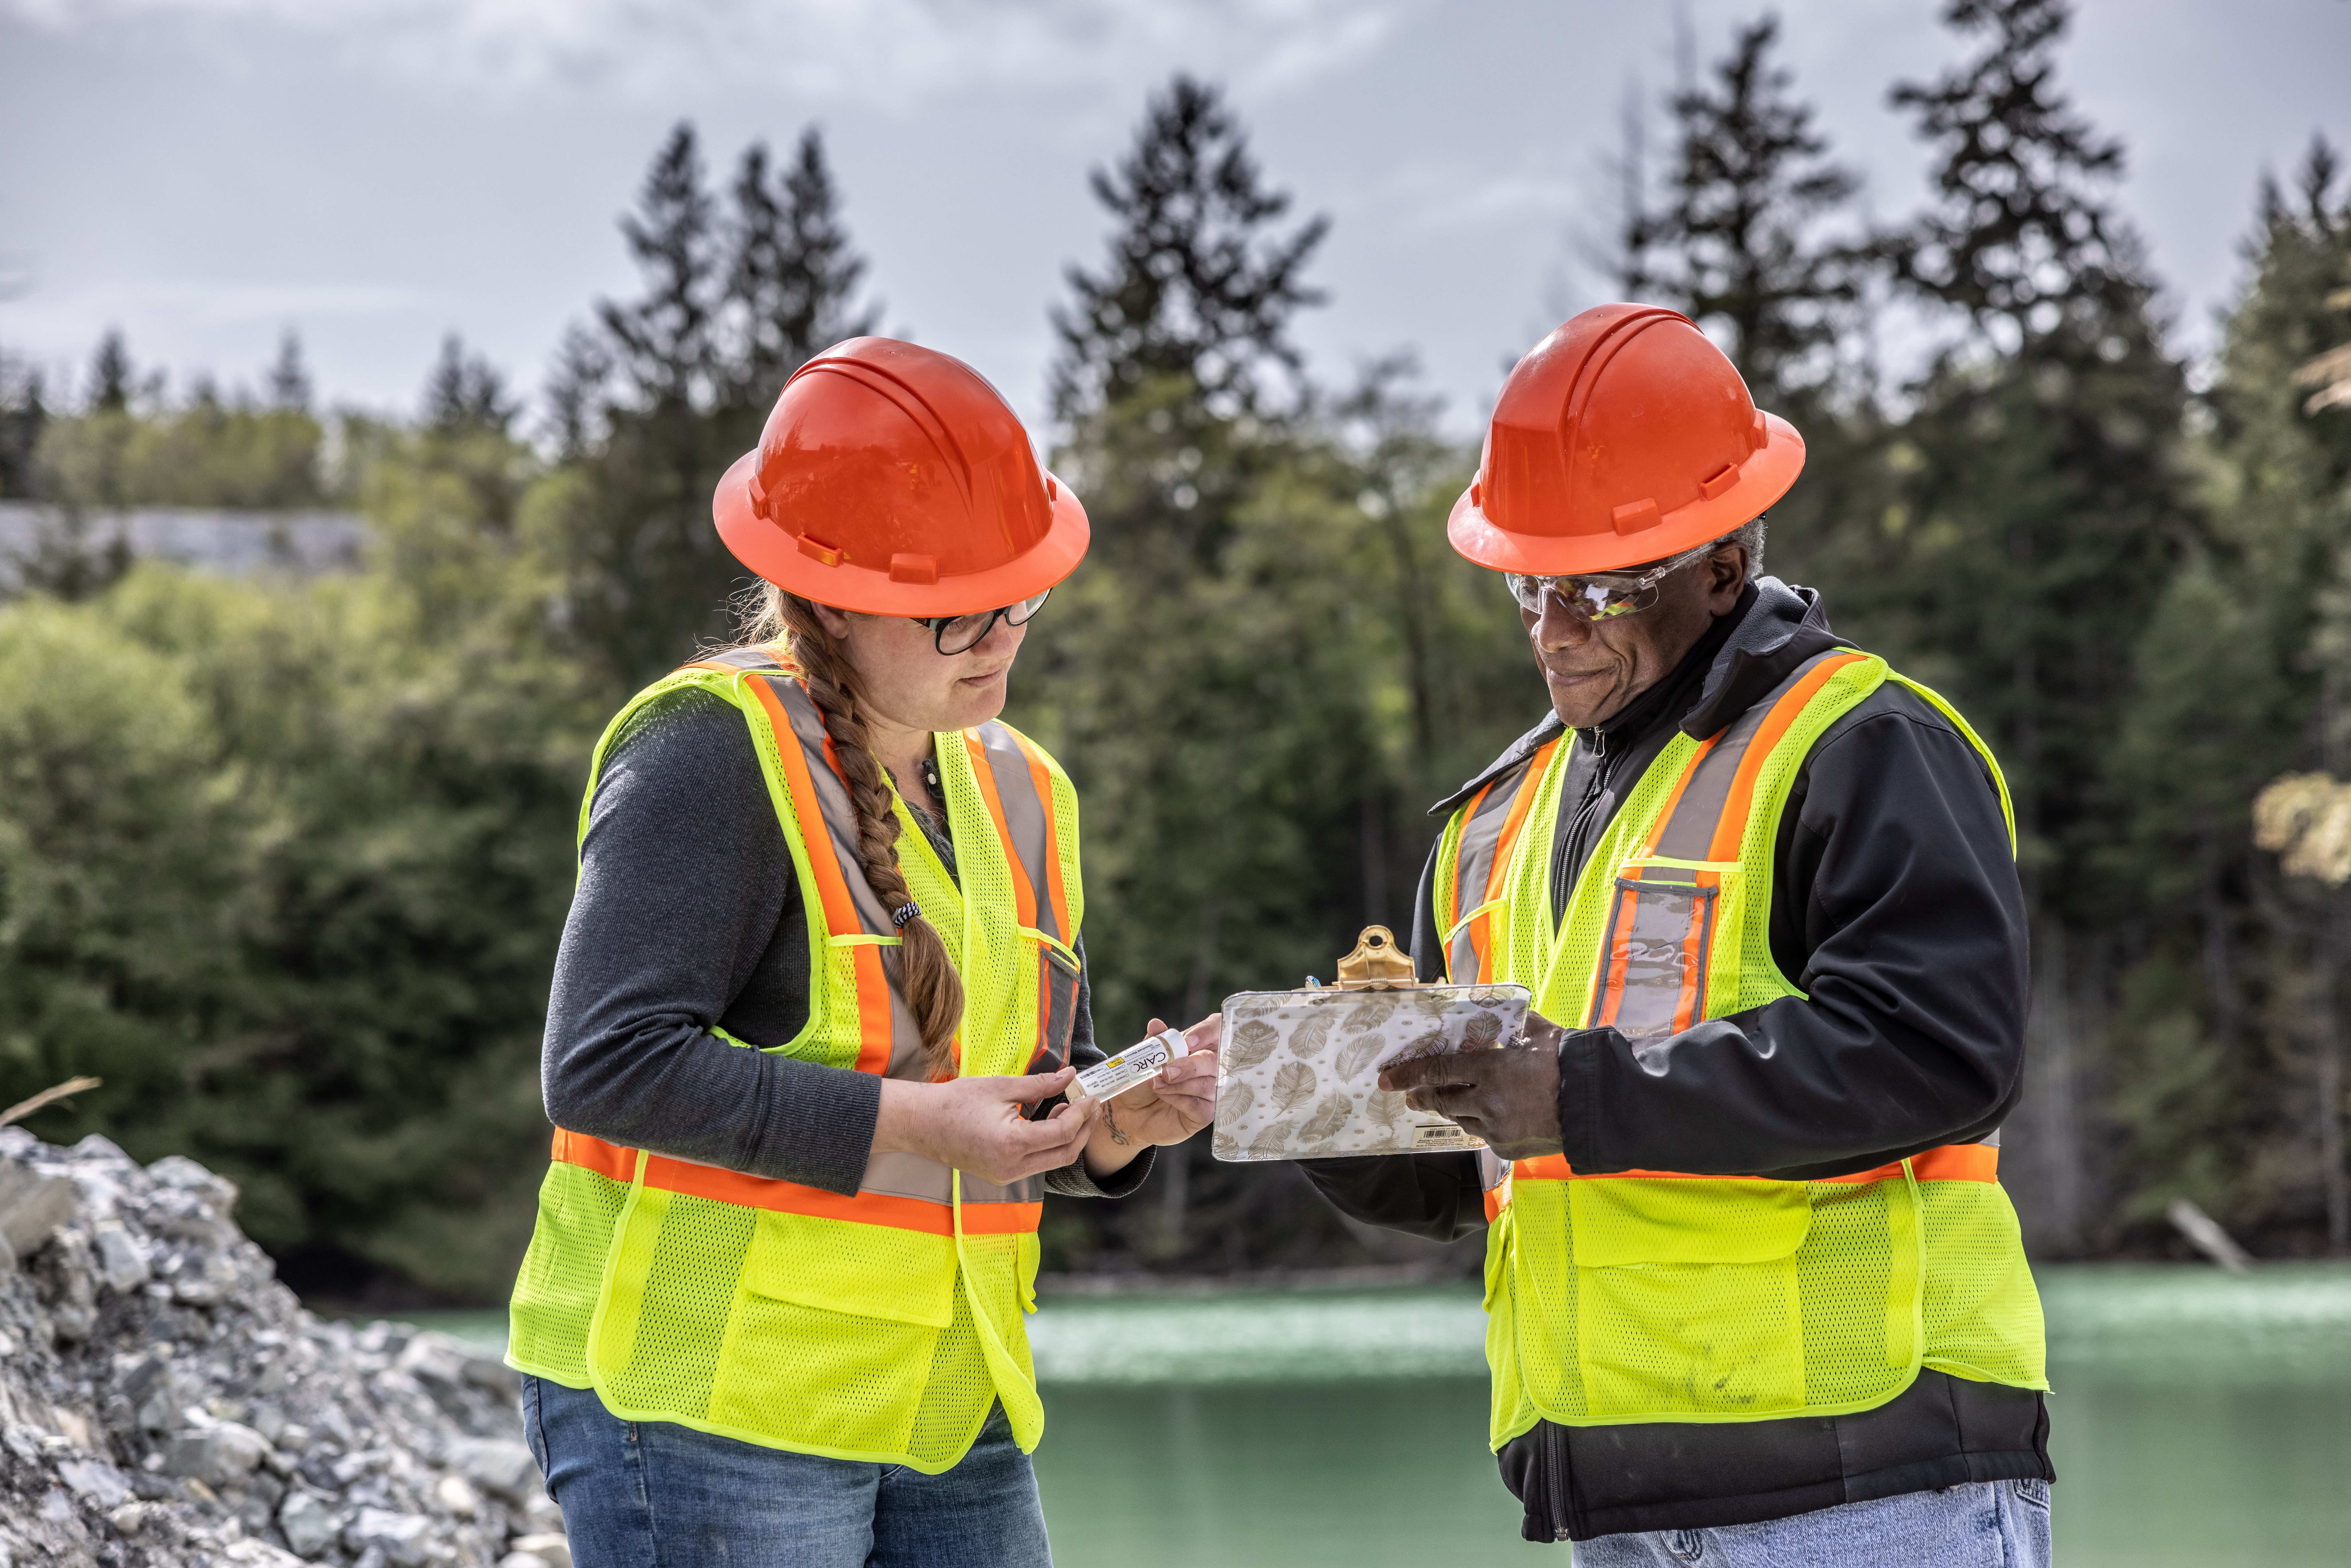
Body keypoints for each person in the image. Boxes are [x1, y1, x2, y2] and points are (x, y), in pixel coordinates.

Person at [1301, 304, 2052, 1564]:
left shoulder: (1861, 743)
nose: (1552, 629)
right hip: (1617, 1497)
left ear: (1722, 564)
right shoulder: (1493, 821)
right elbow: (1481, 1166)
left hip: (1869, 1486)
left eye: (1595, 588)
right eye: (1527, 585)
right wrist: (1308, 1102)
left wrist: (1578, 1091)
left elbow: (1941, 1055)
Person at [503, 337, 1221, 1567]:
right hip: (711, 1405)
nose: (998, 635)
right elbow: (605, 1069)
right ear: (830, 594)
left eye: (1020, 597)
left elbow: (1029, 1087)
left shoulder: (1025, 786)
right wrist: (919, 1122)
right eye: (953, 612)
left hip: (950, 1401)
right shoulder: (705, 751)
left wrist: (1114, 1126)